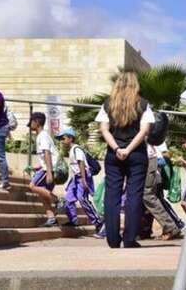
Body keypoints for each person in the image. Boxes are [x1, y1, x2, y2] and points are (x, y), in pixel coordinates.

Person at [95, 71, 154, 248]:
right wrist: (128, 149)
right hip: (136, 154)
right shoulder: (143, 104)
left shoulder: (108, 104)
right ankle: (129, 238)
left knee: (112, 195)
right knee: (134, 195)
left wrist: (117, 148)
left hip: (114, 154)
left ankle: (112, 239)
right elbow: (144, 131)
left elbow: (104, 130)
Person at [57, 128, 105, 237]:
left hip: (82, 177)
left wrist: (83, 180)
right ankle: (73, 220)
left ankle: (98, 223)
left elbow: (81, 164)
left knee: (83, 199)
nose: (62, 141)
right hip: (76, 178)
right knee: (69, 199)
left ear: (70, 138)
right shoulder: (72, 150)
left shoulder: (76, 149)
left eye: (63, 138)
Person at [28, 112, 60, 227]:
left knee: (32, 185)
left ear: (36, 122)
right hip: (47, 168)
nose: (30, 125)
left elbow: (47, 153)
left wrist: (49, 172)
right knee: (43, 195)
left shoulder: (43, 136)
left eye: (31, 122)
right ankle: (51, 218)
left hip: (49, 169)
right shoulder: (42, 136)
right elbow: (46, 155)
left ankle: (58, 200)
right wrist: (37, 167)